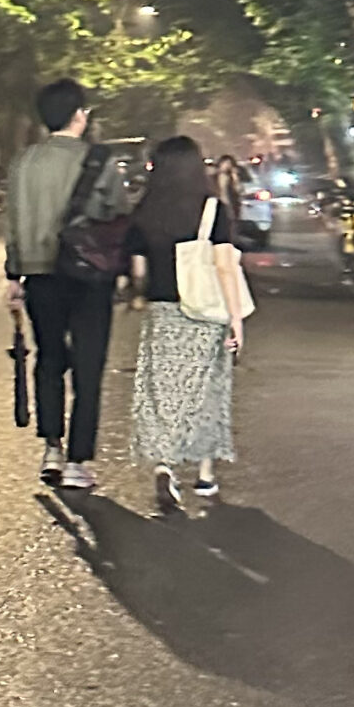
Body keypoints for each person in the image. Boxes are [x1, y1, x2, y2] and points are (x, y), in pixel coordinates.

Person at [4, 78, 135, 490]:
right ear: (81, 114)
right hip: (90, 275)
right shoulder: (99, 161)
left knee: (49, 360)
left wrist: (13, 276)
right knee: (89, 364)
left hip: (40, 274)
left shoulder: (23, 163)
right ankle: (79, 460)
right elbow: (118, 214)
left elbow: (12, 224)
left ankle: (52, 448)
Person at [123, 135, 250, 512]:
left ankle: (165, 466)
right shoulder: (213, 209)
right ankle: (206, 475)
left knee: (164, 393)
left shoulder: (144, 211)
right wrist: (236, 320)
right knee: (208, 391)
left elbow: (139, 271)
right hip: (207, 312)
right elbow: (225, 268)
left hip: (163, 311)